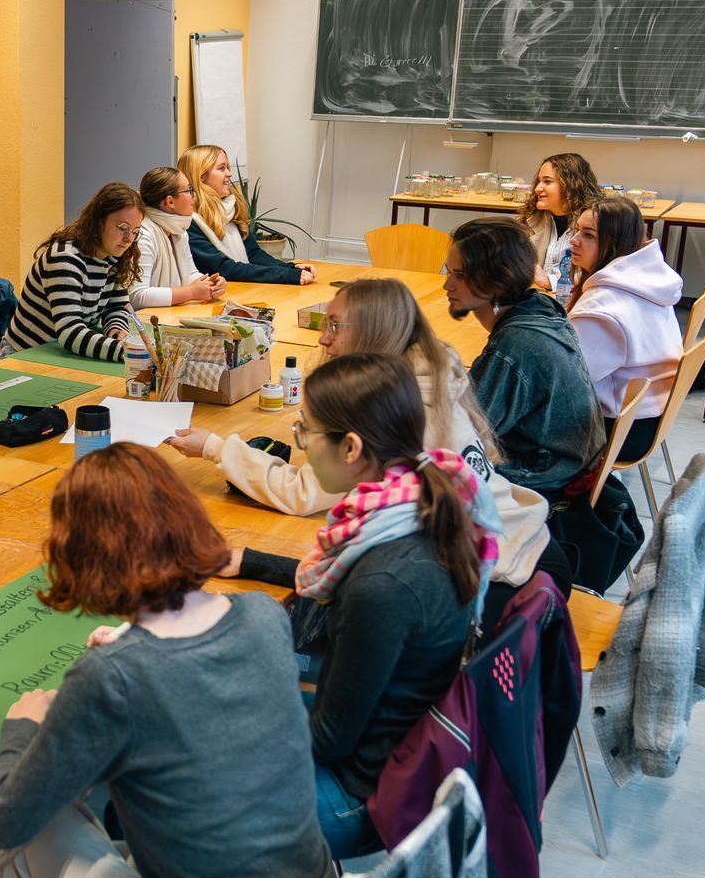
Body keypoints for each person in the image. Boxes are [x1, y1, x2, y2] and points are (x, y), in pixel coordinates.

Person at [0, 444, 332, 878]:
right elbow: (193, 693)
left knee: (27, 840)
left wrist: (22, 728)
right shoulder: (263, 618)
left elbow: (5, 818)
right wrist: (129, 658)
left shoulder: (113, 679)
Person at [229, 354, 497, 859]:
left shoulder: (384, 583)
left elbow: (330, 738)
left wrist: (222, 739)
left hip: (359, 794)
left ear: (351, 447)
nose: (301, 444)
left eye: (305, 431)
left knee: (167, 778)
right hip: (388, 744)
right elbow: (346, 580)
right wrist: (250, 561)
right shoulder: (414, 503)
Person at [164, 277, 558, 601]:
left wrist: (215, 448)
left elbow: (303, 494)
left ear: (374, 333)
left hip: (504, 574)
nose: (323, 339)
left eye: (335, 326)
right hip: (524, 541)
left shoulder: (389, 408)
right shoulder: (426, 375)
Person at [442, 218, 605, 501]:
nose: (447, 284)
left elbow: (463, 432)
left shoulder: (512, 348)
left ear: (498, 280)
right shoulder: (541, 308)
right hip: (569, 462)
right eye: (448, 271)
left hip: (546, 479)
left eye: (461, 275)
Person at [565, 196, 684, 463]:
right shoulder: (647, 281)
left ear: (615, 243)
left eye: (588, 235)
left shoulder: (604, 308)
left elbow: (566, 382)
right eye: (576, 230)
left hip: (618, 429)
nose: (574, 241)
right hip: (646, 416)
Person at [0, 183, 142, 362]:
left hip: (63, 353)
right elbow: (70, 332)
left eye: (135, 231)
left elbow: (117, 306)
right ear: (98, 221)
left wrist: (116, 330)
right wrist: (127, 351)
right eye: (122, 227)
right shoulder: (65, 258)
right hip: (24, 356)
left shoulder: (114, 255)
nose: (129, 239)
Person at [178, 144, 315, 286]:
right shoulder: (189, 223)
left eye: (228, 168)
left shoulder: (231, 211)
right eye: (222, 168)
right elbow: (224, 269)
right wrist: (286, 275)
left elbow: (254, 255)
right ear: (202, 177)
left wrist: (291, 268)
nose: (229, 174)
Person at [130, 165, 225, 309]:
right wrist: (191, 292)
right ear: (170, 202)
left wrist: (211, 284)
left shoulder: (179, 232)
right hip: (145, 319)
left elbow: (190, 275)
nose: (194, 196)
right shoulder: (143, 235)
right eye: (189, 190)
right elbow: (137, 295)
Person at [517, 151, 600, 295]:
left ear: (571, 185)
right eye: (538, 181)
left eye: (547, 182)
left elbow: (595, 274)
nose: (537, 188)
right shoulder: (531, 219)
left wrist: (549, 281)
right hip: (539, 297)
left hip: (575, 300)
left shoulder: (594, 224)